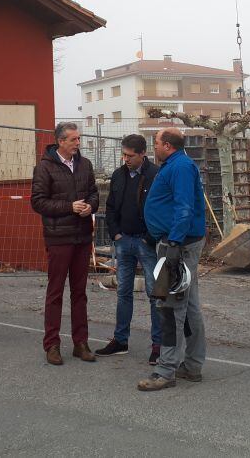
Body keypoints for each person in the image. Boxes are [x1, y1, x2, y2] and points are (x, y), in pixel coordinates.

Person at [138, 127, 207, 391]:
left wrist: (175, 242)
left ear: (167, 145)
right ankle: (192, 364)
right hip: (177, 241)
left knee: (170, 307)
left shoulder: (179, 167)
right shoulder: (178, 165)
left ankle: (166, 370)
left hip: (177, 244)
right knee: (189, 306)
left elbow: (184, 206)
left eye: (155, 143)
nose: (153, 147)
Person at [30, 121, 99, 365]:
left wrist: (90, 205)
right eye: (74, 140)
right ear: (61, 141)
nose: (78, 143)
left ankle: (81, 343)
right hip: (59, 238)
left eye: (78, 139)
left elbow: (94, 194)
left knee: (80, 293)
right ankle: (52, 344)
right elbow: (38, 202)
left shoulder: (85, 164)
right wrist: (69, 207)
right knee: (55, 292)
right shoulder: (44, 168)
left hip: (81, 236)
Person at [95, 133, 161, 364]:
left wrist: (149, 238)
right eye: (123, 154)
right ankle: (120, 340)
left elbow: (161, 209)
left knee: (155, 295)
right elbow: (111, 207)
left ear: (143, 154)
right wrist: (116, 234)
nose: (126, 159)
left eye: (130, 155)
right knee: (123, 293)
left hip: (147, 243)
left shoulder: (155, 175)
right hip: (124, 242)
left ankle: (158, 345)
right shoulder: (118, 175)